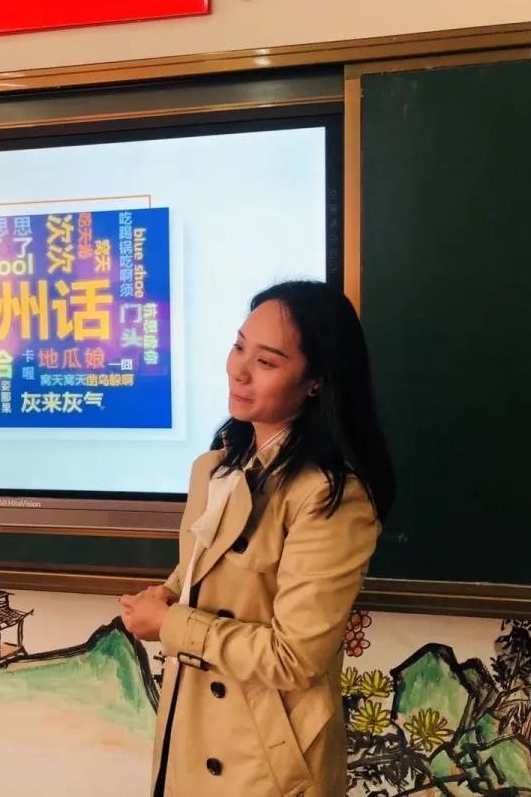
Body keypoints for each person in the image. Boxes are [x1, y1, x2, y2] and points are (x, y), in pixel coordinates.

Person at [119, 280, 394, 796]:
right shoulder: (216, 466)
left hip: (265, 757)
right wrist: (172, 591)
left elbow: (295, 657)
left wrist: (174, 625)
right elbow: (213, 561)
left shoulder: (328, 495)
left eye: (267, 361)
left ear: (316, 381)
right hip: (193, 726)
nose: (240, 370)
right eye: (239, 346)